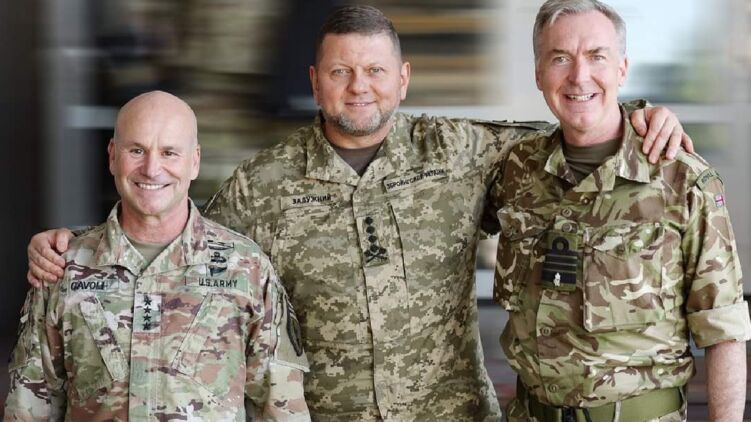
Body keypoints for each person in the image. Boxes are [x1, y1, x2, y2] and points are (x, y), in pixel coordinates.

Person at [25, 6, 692, 421]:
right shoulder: (266, 183)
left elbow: (573, 130)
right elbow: (182, 243)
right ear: (314, 81)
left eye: (374, 71)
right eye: (341, 72)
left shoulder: (460, 152)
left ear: (402, 79)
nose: (358, 88)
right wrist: (76, 247)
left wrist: (642, 116)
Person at [491, 1, 751, 421]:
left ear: (622, 69)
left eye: (597, 56)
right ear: (538, 73)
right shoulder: (516, 168)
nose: (579, 76)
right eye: (560, 58)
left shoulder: (682, 180)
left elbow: (723, 329)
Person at [5, 91, 310, 421]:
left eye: (169, 152)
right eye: (137, 150)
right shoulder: (62, 268)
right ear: (112, 156)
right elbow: (29, 408)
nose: (152, 169)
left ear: (194, 161)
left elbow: (280, 408)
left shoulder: (247, 269)